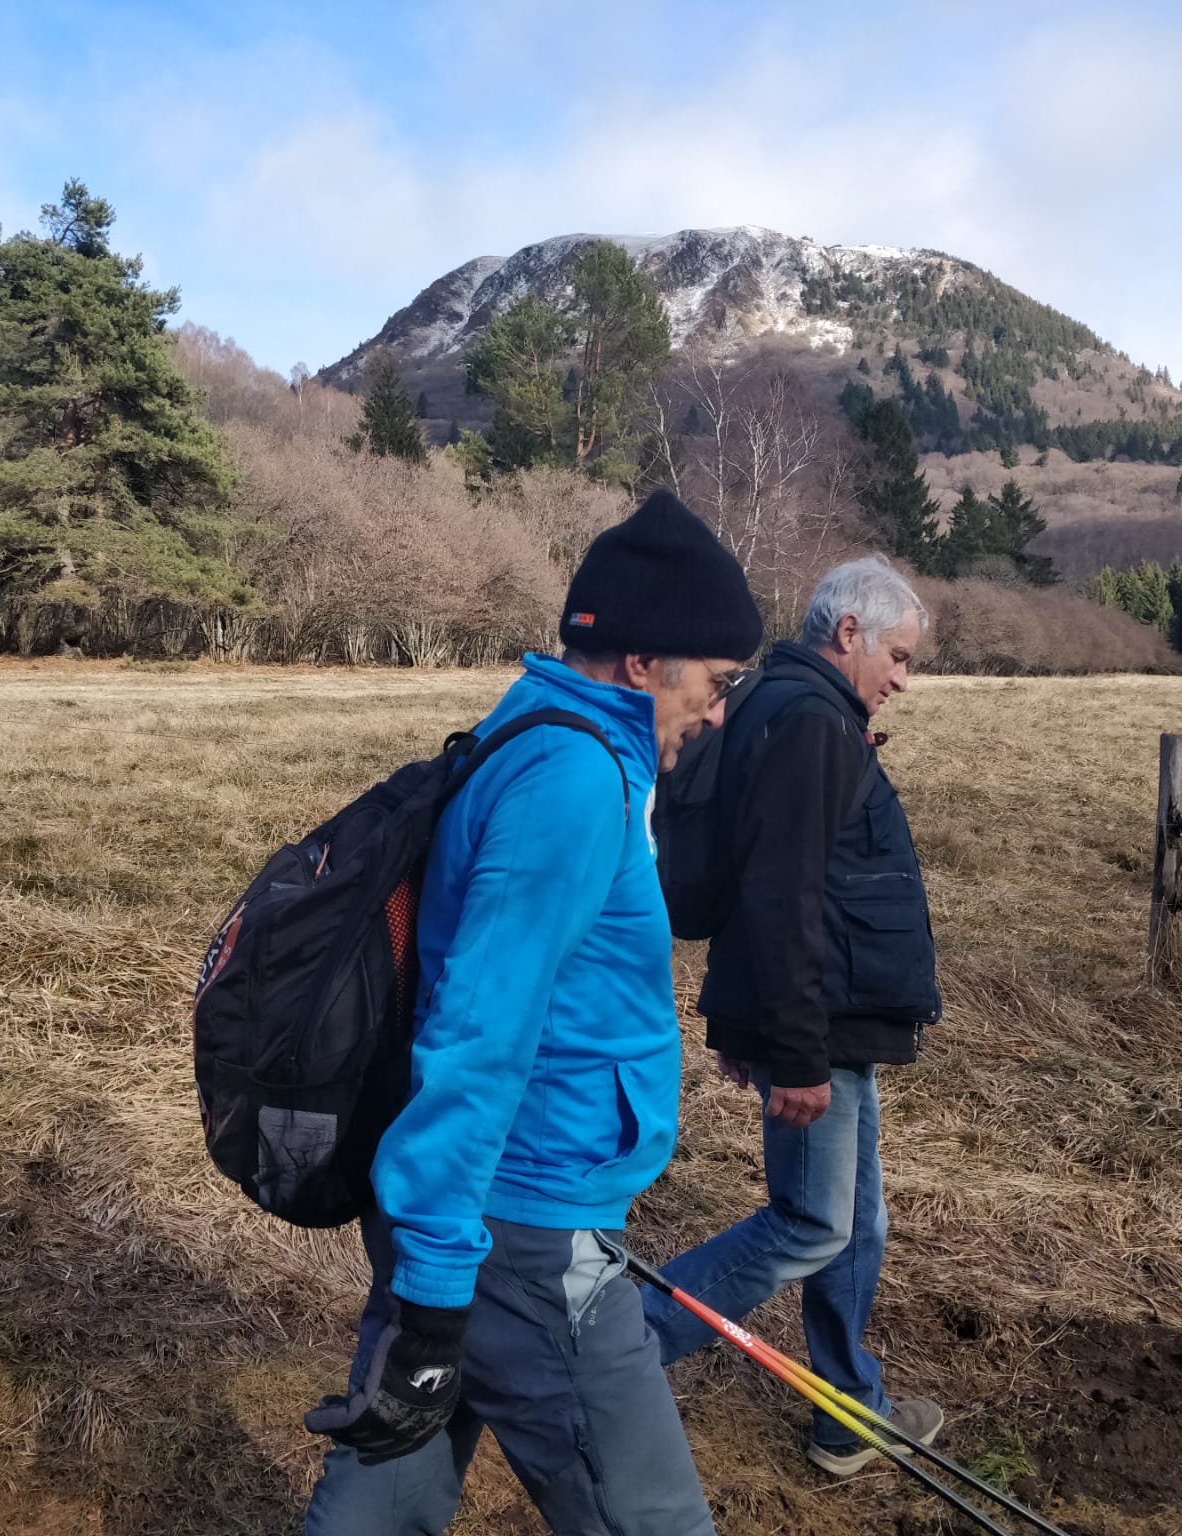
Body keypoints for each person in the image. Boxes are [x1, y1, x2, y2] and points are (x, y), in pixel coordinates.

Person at [303, 490, 762, 1536]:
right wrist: (431, 1286)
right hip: (523, 1225)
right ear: (643, 664)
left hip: (489, 1213)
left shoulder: (556, 740)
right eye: (716, 680)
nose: (722, 707)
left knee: (387, 1495)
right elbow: (478, 1032)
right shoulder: (569, 781)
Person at [642, 555, 944, 1475]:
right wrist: (792, 1050)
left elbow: (763, 875)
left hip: (831, 1019)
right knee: (813, 1223)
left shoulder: (791, 705)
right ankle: (614, 1351)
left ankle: (848, 1409)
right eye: (897, 655)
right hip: (820, 1024)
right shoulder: (810, 721)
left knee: (858, 1222)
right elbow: (783, 896)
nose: (902, 679)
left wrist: (751, 1021)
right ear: (847, 632)